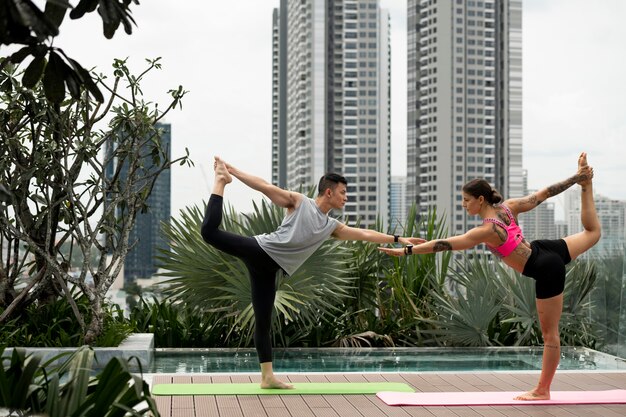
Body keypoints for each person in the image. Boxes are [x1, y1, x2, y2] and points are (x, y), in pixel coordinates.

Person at [379, 152, 600, 401]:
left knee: (550, 334)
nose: (464, 205)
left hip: (545, 268)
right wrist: (577, 177)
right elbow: (545, 192)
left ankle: (542, 390)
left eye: (466, 200)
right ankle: (587, 185)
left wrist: (408, 250)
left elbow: (446, 243)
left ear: (480, 199)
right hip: (544, 249)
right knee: (593, 233)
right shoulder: (509, 208)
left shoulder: (487, 230)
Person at [201, 156, 420, 389]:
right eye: (343, 192)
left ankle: (267, 377)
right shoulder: (299, 202)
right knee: (209, 232)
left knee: (263, 322)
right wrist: (233, 170)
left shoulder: (331, 227)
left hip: (268, 270)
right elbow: (265, 187)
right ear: (328, 192)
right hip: (259, 250)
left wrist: (397, 239)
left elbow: (365, 234)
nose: (346, 197)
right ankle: (221, 182)